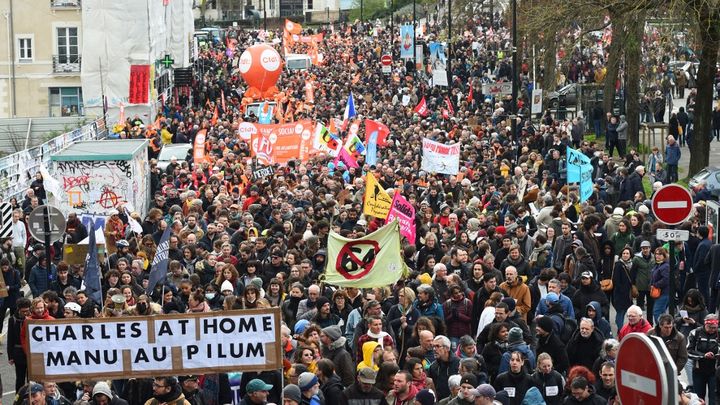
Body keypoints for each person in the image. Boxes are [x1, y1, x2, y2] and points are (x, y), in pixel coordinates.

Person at [687, 314, 720, 405]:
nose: (712, 330)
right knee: (698, 398)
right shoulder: (695, 333)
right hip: (698, 370)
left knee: (714, 398)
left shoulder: (718, 334)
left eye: (714, 328)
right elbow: (688, 351)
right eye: (710, 327)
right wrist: (703, 355)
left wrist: (716, 355)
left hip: (714, 371)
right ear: (705, 324)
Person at [428, 335, 460, 400]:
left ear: (447, 348)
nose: (434, 349)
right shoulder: (433, 367)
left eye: (437, 346)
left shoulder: (459, 364)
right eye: (433, 346)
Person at [650, 247, 671, 322]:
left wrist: (655, 284)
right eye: (656, 254)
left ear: (664, 255)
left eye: (660, 254)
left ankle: (661, 329)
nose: (657, 256)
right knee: (662, 313)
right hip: (659, 293)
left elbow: (666, 279)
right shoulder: (658, 264)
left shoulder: (665, 266)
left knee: (657, 312)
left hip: (664, 293)